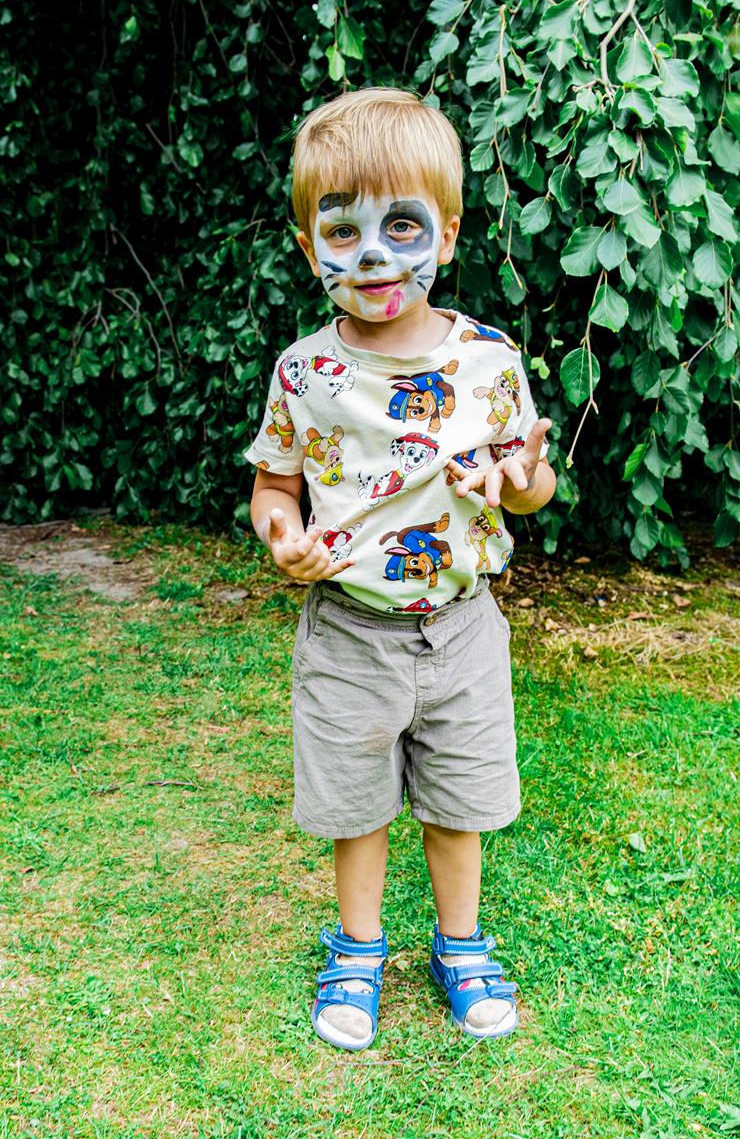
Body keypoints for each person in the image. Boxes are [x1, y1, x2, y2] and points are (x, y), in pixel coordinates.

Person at [243, 87, 556, 1051]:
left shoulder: (488, 361)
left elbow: (528, 490)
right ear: (309, 247)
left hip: (462, 629)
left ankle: (461, 947)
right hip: (349, 631)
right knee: (358, 805)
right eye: (343, 232)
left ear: (447, 235)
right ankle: (358, 950)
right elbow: (274, 485)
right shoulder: (303, 372)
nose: (374, 255)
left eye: (402, 227)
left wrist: (523, 479)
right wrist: (281, 537)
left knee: (458, 804)